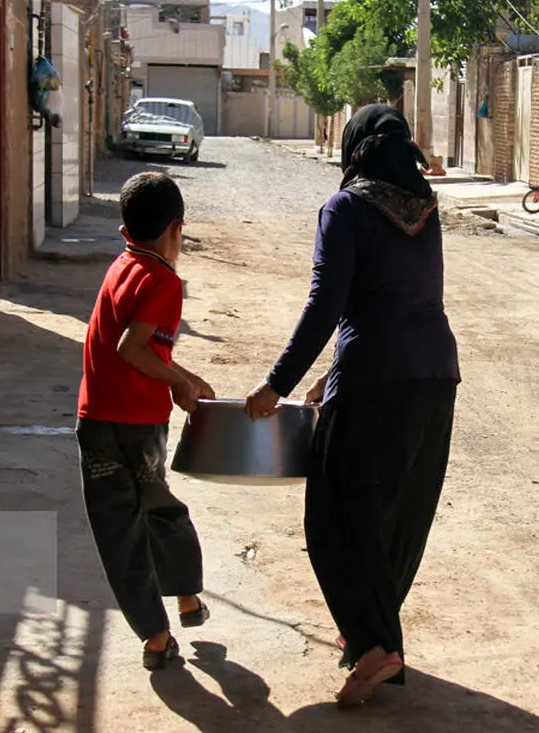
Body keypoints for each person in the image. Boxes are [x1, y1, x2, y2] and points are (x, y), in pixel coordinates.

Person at [245, 105, 461, 707]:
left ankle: (375, 645)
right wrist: (328, 373)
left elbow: (327, 305)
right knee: (394, 515)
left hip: (374, 379)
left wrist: (278, 384)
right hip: (435, 377)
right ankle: (372, 638)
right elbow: (398, 299)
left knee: (334, 516)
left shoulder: (345, 208)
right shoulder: (426, 209)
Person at [77, 172, 215, 671]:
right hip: (139, 425)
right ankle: (185, 598)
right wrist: (178, 384)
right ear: (177, 229)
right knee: (157, 508)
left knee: (118, 531)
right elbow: (132, 348)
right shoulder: (165, 281)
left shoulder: (122, 265)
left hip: (95, 422)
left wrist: (183, 373)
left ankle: (156, 637)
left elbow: (138, 347)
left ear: (124, 231)